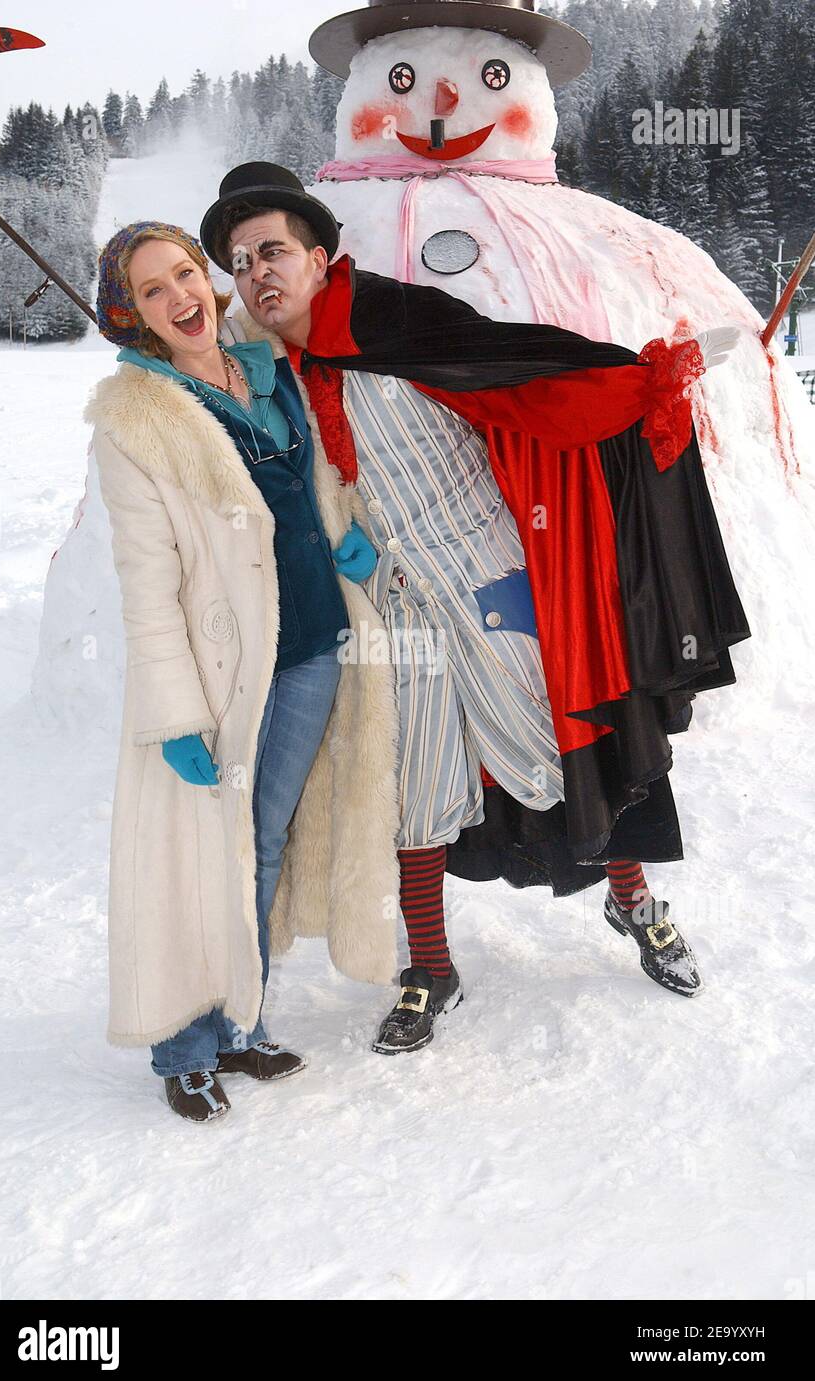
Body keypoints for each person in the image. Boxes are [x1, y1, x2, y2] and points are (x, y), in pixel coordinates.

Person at [201, 163, 751, 1055]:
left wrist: (643, 384)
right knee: (413, 783)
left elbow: (531, 379)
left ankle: (633, 901)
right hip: (397, 607)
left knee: (574, 746)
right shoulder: (267, 377)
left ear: (316, 255)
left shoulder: (398, 319)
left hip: (496, 583)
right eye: (238, 260)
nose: (256, 272)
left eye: (271, 250)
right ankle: (430, 967)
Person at [91, 220, 400, 1119]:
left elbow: (315, 477)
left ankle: (239, 1021)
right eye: (152, 290)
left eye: (185, 273)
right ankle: (183, 1047)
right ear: (131, 313)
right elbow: (145, 585)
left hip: (310, 647)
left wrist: (343, 528)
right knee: (199, 851)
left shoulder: (263, 364)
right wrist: (172, 711)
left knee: (259, 846)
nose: (179, 296)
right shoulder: (135, 420)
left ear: (209, 277)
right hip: (221, 667)